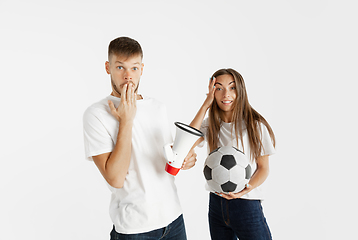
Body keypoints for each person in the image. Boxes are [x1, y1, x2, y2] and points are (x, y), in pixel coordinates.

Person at [83, 36, 196, 240]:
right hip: (135, 229)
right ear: (108, 67)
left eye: (134, 68)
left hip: (174, 219)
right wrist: (126, 120)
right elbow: (116, 178)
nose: (128, 76)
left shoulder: (158, 107)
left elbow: (166, 163)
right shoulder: (96, 114)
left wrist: (186, 159)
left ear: (142, 69)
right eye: (120, 67)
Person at [190, 68, 276, 240]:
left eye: (232, 87)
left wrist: (244, 190)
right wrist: (206, 104)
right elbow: (187, 140)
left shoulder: (255, 125)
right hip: (217, 204)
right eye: (219, 88)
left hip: (246, 204)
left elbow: (263, 168)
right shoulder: (211, 125)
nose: (226, 94)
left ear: (240, 91)